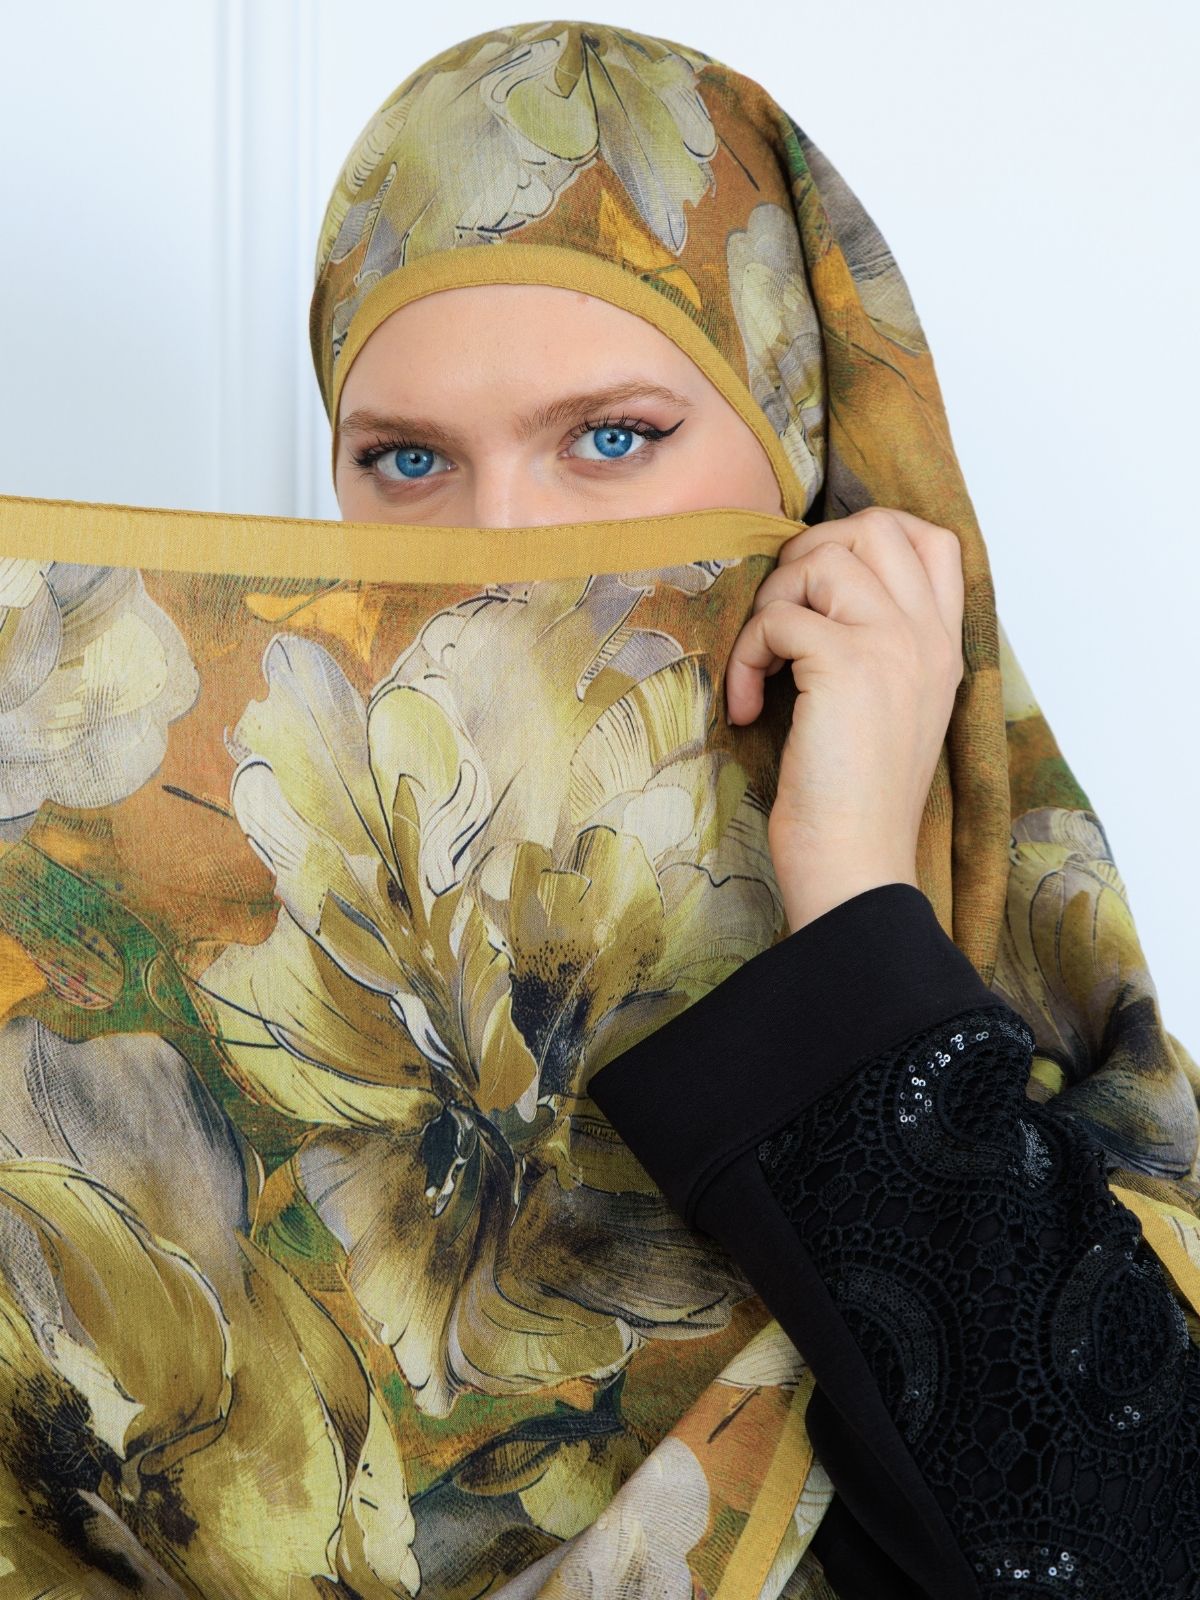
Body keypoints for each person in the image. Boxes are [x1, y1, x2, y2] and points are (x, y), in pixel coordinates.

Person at [308, 20, 1200, 1599]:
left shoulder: (984, 1000)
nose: (500, 550)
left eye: (612, 439)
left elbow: (1132, 1543)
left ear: (796, 459)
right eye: (406, 460)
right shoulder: (238, 967)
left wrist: (854, 903)